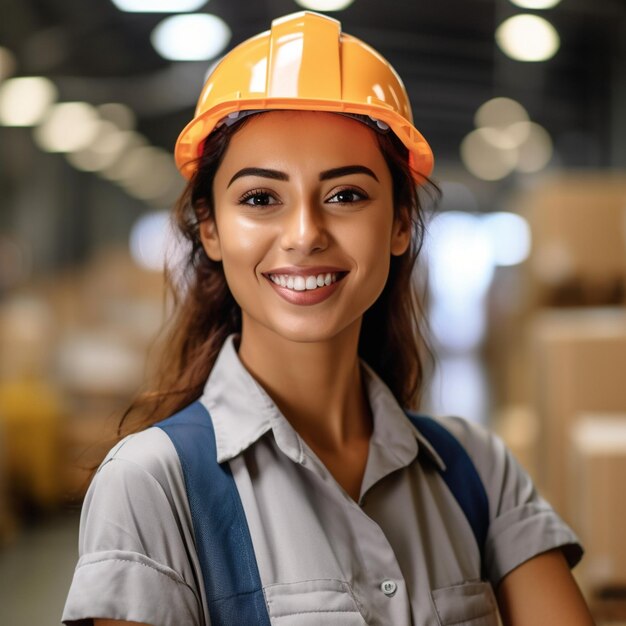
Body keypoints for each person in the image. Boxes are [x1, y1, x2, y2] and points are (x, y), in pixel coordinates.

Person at [62, 11, 595, 626]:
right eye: (261, 198)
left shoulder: (478, 472)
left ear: (399, 223)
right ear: (209, 228)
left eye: (346, 195)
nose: (305, 234)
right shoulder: (152, 487)